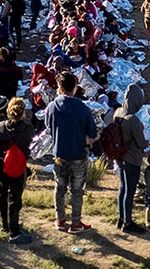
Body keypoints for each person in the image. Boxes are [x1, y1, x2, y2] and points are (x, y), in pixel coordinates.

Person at [45, 71, 97, 233]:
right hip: (78, 154)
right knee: (77, 191)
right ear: (75, 87)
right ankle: (76, 223)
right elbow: (93, 133)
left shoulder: (52, 107)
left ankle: (60, 220)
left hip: (59, 153)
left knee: (59, 188)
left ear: (60, 87)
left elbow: (48, 128)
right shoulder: (83, 109)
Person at [0, 97, 34, 245]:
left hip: (2, 165)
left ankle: (5, 225)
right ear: (23, 112)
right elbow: (29, 147)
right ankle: (15, 232)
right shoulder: (28, 128)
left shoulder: (0, 126)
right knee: (15, 198)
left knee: (2, 195)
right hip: (18, 166)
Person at [113, 83, 148, 233]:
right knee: (130, 190)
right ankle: (128, 223)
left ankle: (121, 219)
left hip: (120, 156)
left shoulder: (118, 113)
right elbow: (140, 142)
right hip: (132, 158)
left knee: (122, 189)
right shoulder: (133, 120)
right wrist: (147, 143)